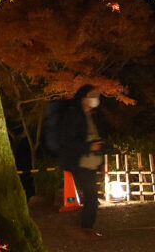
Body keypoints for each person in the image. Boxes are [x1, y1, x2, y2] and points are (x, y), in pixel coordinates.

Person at [58, 85, 104, 237]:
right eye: (92, 95)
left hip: (90, 161)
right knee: (92, 196)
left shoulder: (90, 115)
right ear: (83, 98)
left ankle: (86, 225)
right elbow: (68, 140)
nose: (95, 98)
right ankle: (87, 228)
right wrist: (90, 146)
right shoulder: (75, 115)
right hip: (81, 162)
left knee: (91, 195)